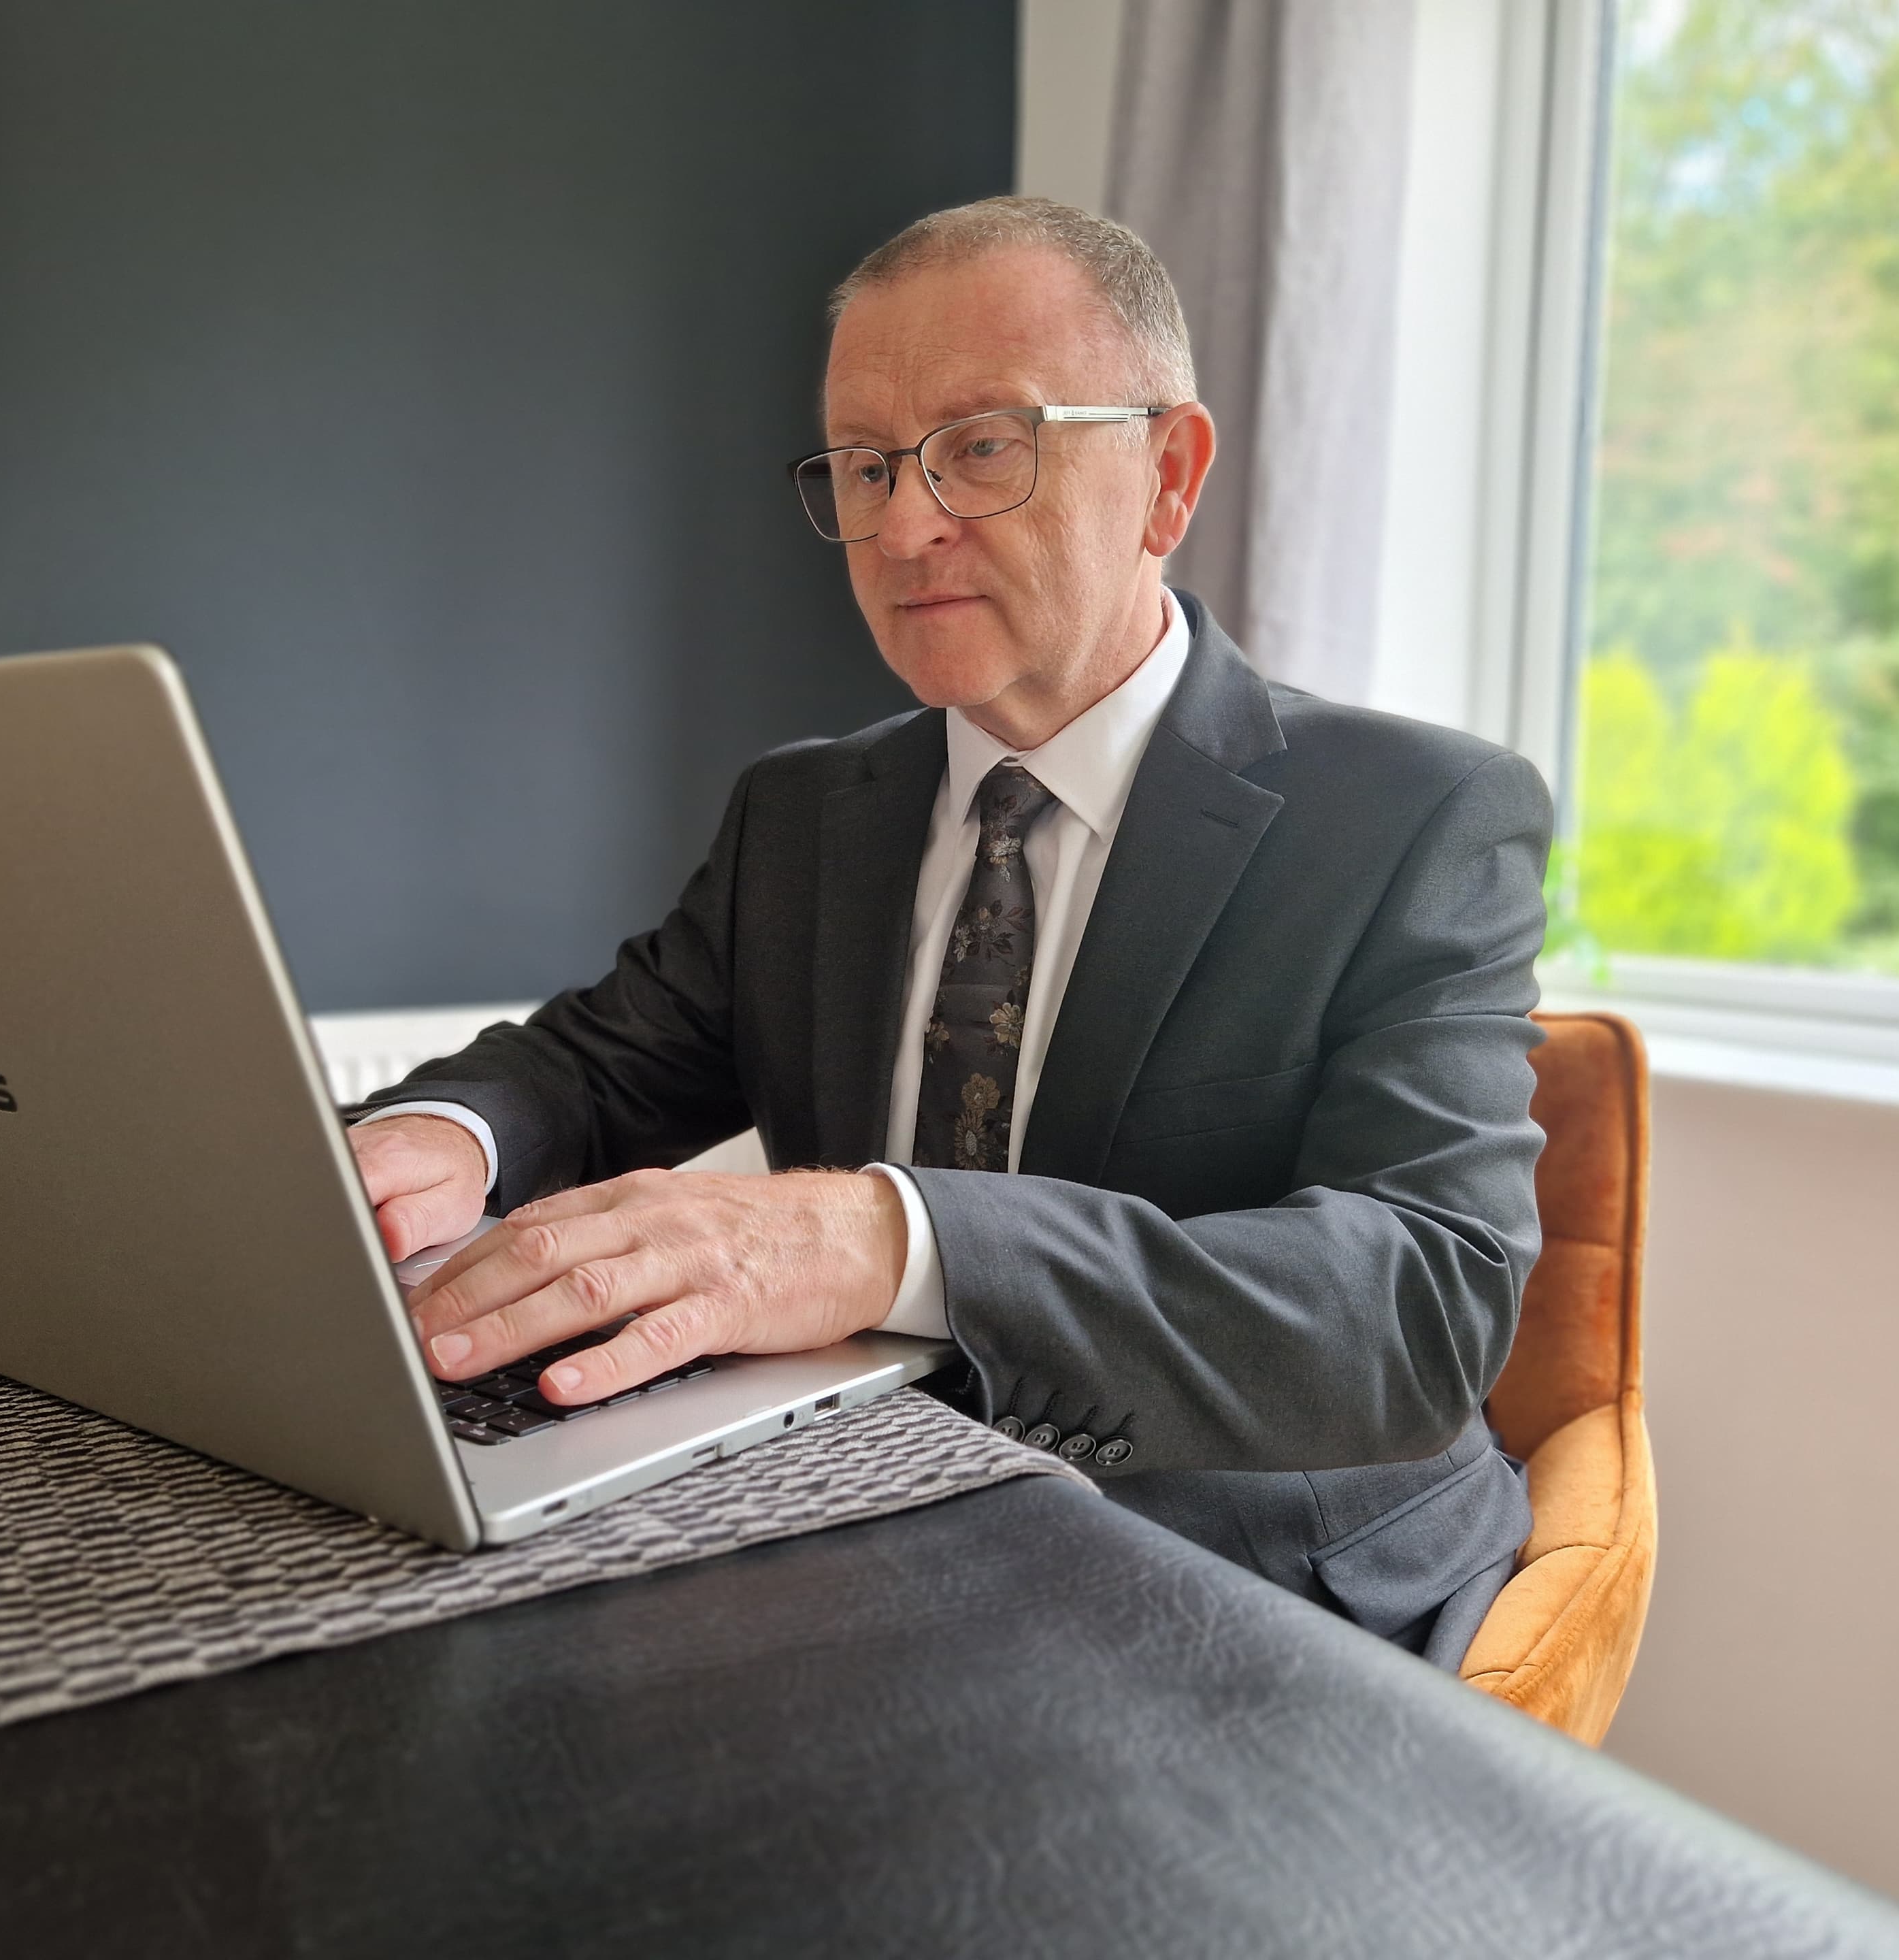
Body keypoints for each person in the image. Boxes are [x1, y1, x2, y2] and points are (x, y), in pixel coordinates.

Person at [349, 197, 1549, 1667]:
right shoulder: (805, 812)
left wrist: (888, 1239)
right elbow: (599, 1068)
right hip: (872, 1527)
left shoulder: (1415, 816)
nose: (906, 524)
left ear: (1167, 477)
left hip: (1260, 1580)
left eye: (985, 445)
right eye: (864, 464)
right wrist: (446, 1139)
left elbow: (1419, 1306)